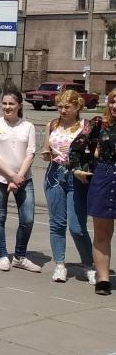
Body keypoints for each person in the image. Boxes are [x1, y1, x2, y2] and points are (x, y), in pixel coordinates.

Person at [42, 89, 93, 283]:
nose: (63, 111)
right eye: (60, 107)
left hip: (77, 177)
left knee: (77, 227)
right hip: (55, 174)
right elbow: (46, 151)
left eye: (67, 107)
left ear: (77, 106)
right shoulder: (53, 124)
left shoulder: (86, 126)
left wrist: (74, 153)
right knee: (57, 223)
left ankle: (89, 265)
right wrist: (48, 154)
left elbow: (93, 152)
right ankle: (60, 265)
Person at [70, 88, 116, 295]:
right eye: (112, 101)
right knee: (102, 233)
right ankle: (103, 279)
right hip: (104, 177)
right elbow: (77, 146)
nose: (114, 106)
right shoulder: (98, 123)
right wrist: (78, 169)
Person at [0, 90, 38, 273]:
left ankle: (19, 257)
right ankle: (2, 255)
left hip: (24, 179)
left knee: (28, 219)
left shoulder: (28, 126)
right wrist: (11, 176)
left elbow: (30, 153)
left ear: (19, 106)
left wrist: (19, 177)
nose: (7, 107)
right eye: (4, 103)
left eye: (11, 104)